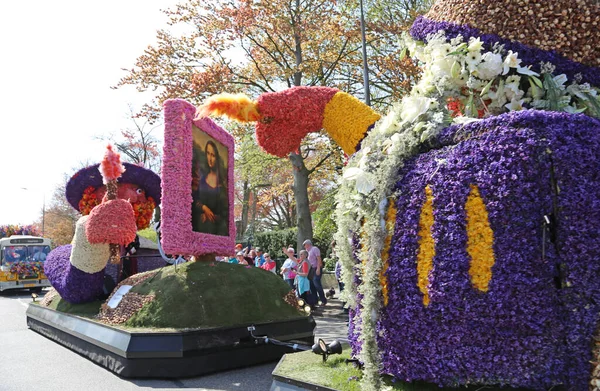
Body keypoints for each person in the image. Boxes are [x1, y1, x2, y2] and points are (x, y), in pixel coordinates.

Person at [192, 140, 228, 236]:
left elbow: (225, 212)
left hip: (218, 228)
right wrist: (204, 208)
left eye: (213, 155)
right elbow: (194, 199)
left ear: (217, 157)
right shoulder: (202, 179)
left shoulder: (222, 183)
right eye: (208, 153)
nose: (210, 159)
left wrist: (211, 216)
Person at [303, 239, 327, 305]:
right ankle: (315, 301)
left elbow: (318, 259)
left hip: (316, 268)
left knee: (317, 284)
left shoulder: (314, 249)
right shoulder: (306, 251)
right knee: (311, 285)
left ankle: (323, 300)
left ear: (308, 244)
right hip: (310, 270)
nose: (304, 246)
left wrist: (318, 268)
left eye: (305, 245)